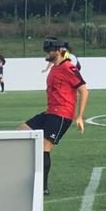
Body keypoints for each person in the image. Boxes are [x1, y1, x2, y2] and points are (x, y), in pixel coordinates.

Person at [20, 38, 88, 196]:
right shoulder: (55, 67)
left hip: (62, 114)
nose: (47, 53)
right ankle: (30, 174)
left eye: (49, 51)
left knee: (44, 147)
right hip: (50, 111)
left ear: (58, 51)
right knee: (22, 131)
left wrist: (79, 116)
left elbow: (84, 90)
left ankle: (42, 187)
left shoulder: (68, 67)